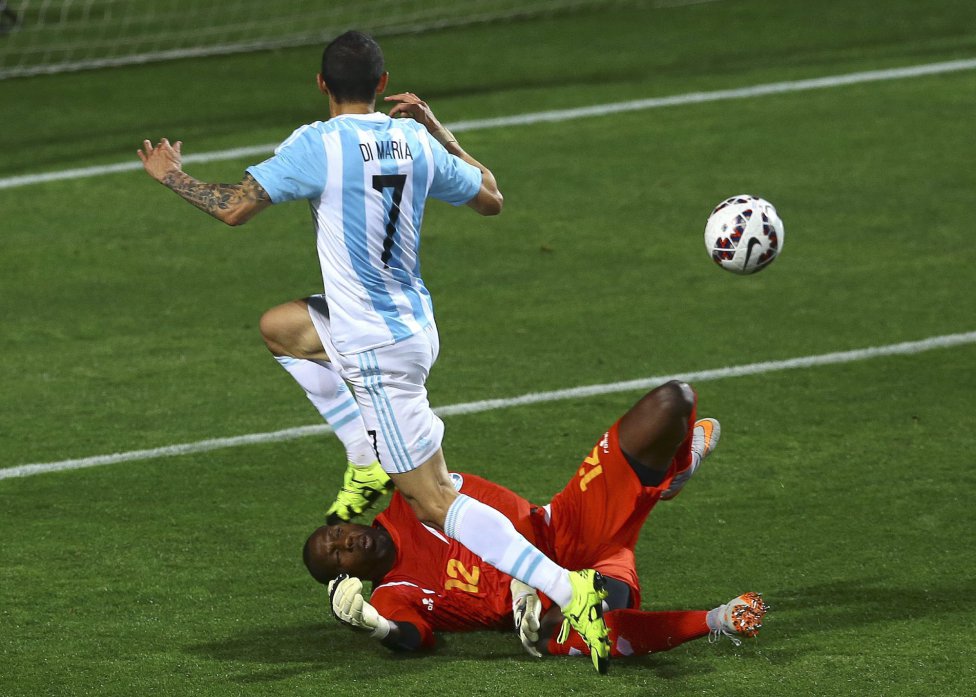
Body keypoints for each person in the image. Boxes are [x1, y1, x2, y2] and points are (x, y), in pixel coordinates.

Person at [137, 30, 612, 671]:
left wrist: (171, 175)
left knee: (433, 501)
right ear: (383, 85)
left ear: (321, 84)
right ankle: (366, 457)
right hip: (408, 326)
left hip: (374, 351)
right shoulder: (412, 138)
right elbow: (490, 197)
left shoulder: (317, 144)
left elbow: (233, 209)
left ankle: (570, 591)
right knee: (284, 329)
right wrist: (437, 128)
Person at [303, 380, 769, 658]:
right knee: (588, 617)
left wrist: (521, 578)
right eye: (337, 554)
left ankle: (675, 470)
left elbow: (500, 508)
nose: (346, 541)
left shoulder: (416, 498)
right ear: (346, 577)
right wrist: (374, 626)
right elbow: (412, 639)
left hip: (566, 527)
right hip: (556, 605)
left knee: (672, 401)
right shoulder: (391, 595)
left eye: (337, 533)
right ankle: (715, 620)